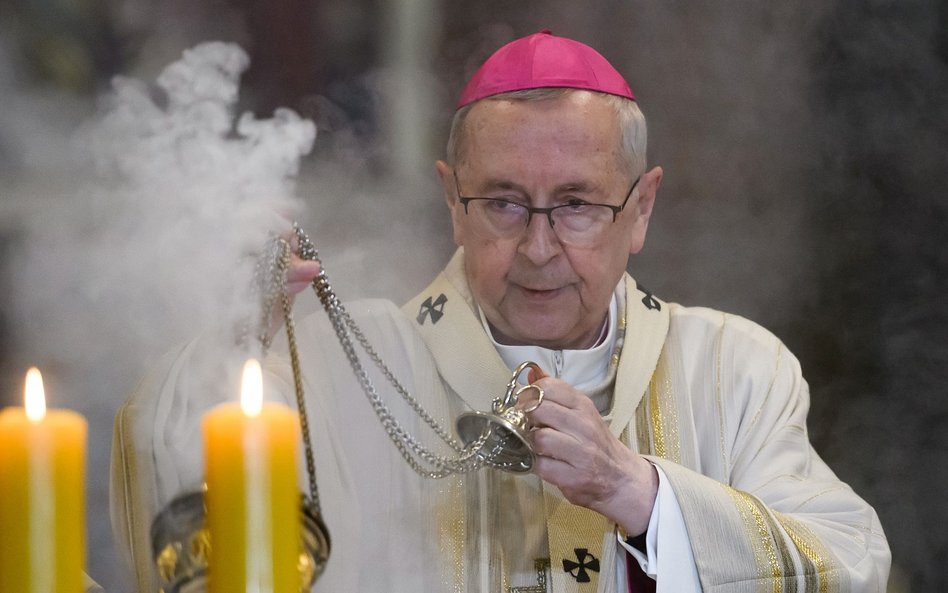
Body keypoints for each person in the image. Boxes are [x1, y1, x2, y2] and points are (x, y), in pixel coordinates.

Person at [111, 30, 891, 592]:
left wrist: (640, 494)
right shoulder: (329, 362)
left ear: (642, 206)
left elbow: (851, 563)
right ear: (454, 200)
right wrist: (235, 329)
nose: (540, 248)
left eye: (578, 205)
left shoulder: (736, 369)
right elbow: (170, 488)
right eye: (504, 204)